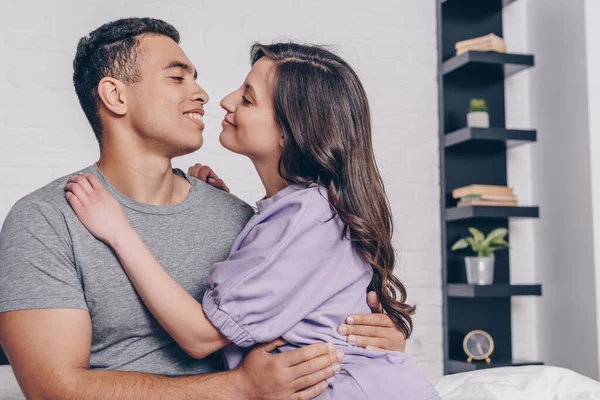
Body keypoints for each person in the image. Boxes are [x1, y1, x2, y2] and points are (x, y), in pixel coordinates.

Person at [0, 18, 407, 400]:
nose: (206, 94)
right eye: (177, 77)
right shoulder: (47, 220)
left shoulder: (243, 217)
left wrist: (371, 338)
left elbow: (319, 307)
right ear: (115, 95)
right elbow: (55, 388)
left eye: (195, 78)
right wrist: (236, 387)